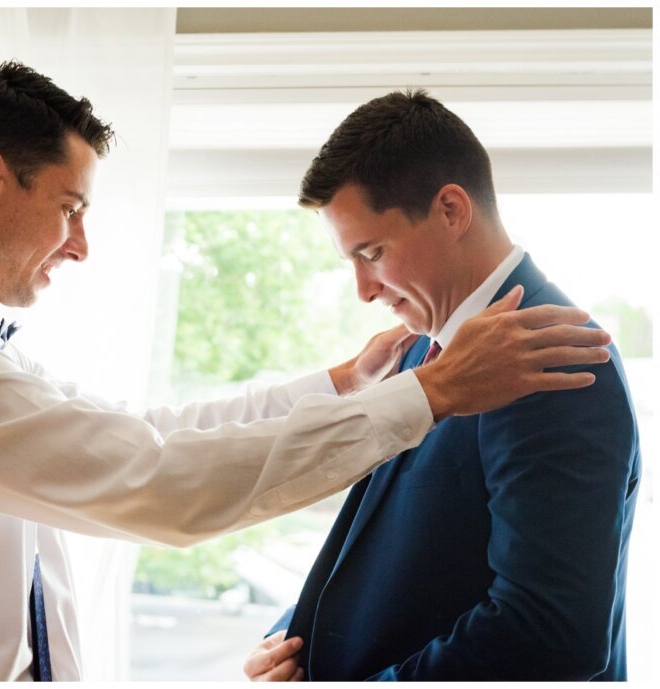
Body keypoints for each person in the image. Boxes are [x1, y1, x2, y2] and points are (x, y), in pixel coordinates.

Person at [0, 62, 612, 681]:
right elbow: (159, 477)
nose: (80, 244)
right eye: (70, 207)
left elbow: (150, 432)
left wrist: (338, 385)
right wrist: (428, 393)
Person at [245, 90, 640, 682]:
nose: (364, 290)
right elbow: (386, 551)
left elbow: (548, 634)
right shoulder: (418, 354)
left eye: (373, 253)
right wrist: (291, 640)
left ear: (452, 209)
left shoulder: (553, 358)